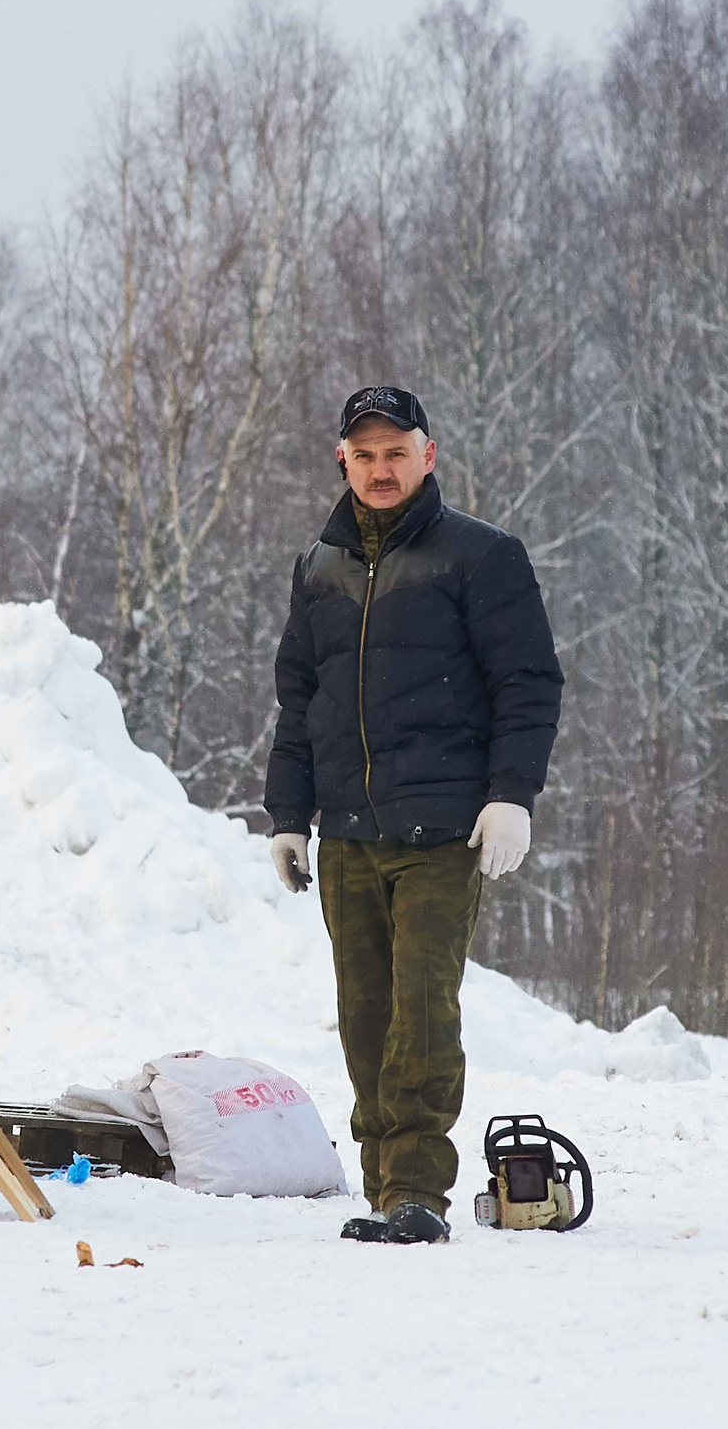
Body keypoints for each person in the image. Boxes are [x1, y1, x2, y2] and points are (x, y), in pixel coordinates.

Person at [265, 386, 564, 1244]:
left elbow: (528, 683)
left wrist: (512, 794)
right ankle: (384, 1183)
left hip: (443, 831)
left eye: (397, 452)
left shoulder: (480, 556)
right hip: (351, 832)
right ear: (343, 461)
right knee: (364, 1018)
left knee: (421, 1012)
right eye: (365, 454)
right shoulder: (317, 567)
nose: (381, 468)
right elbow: (300, 701)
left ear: (428, 455)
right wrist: (290, 814)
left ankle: (417, 1191)